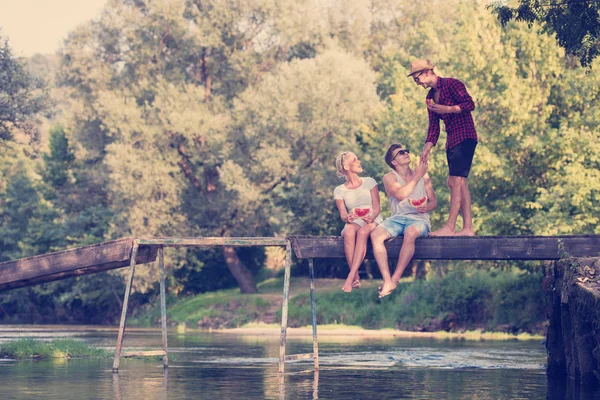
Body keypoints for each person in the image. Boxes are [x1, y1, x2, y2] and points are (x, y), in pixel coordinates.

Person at [408, 59, 477, 236]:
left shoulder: (452, 84)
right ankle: (468, 227)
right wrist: (427, 148)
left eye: (417, 78)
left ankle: (450, 227)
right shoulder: (429, 98)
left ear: (427, 72)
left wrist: (449, 109)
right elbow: (434, 127)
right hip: (452, 139)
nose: (418, 83)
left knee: (455, 181)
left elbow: (470, 104)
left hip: (465, 136)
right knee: (458, 182)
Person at [370, 143, 437, 298]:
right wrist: (418, 175)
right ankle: (387, 279)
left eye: (406, 151)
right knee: (375, 235)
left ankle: (395, 278)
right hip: (397, 218)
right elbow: (400, 195)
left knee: (411, 232)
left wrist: (426, 207)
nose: (406, 153)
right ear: (394, 162)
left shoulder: (423, 175)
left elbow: (433, 201)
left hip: (419, 219)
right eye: (401, 153)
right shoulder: (390, 177)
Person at [334, 151, 383, 293]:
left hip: (372, 219)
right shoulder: (339, 190)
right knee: (349, 231)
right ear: (346, 166)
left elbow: (377, 207)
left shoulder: (370, 182)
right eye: (354, 160)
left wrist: (372, 217)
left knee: (362, 232)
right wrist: (347, 218)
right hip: (354, 220)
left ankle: (350, 277)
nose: (358, 161)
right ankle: (355, 276)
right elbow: (343, 214)